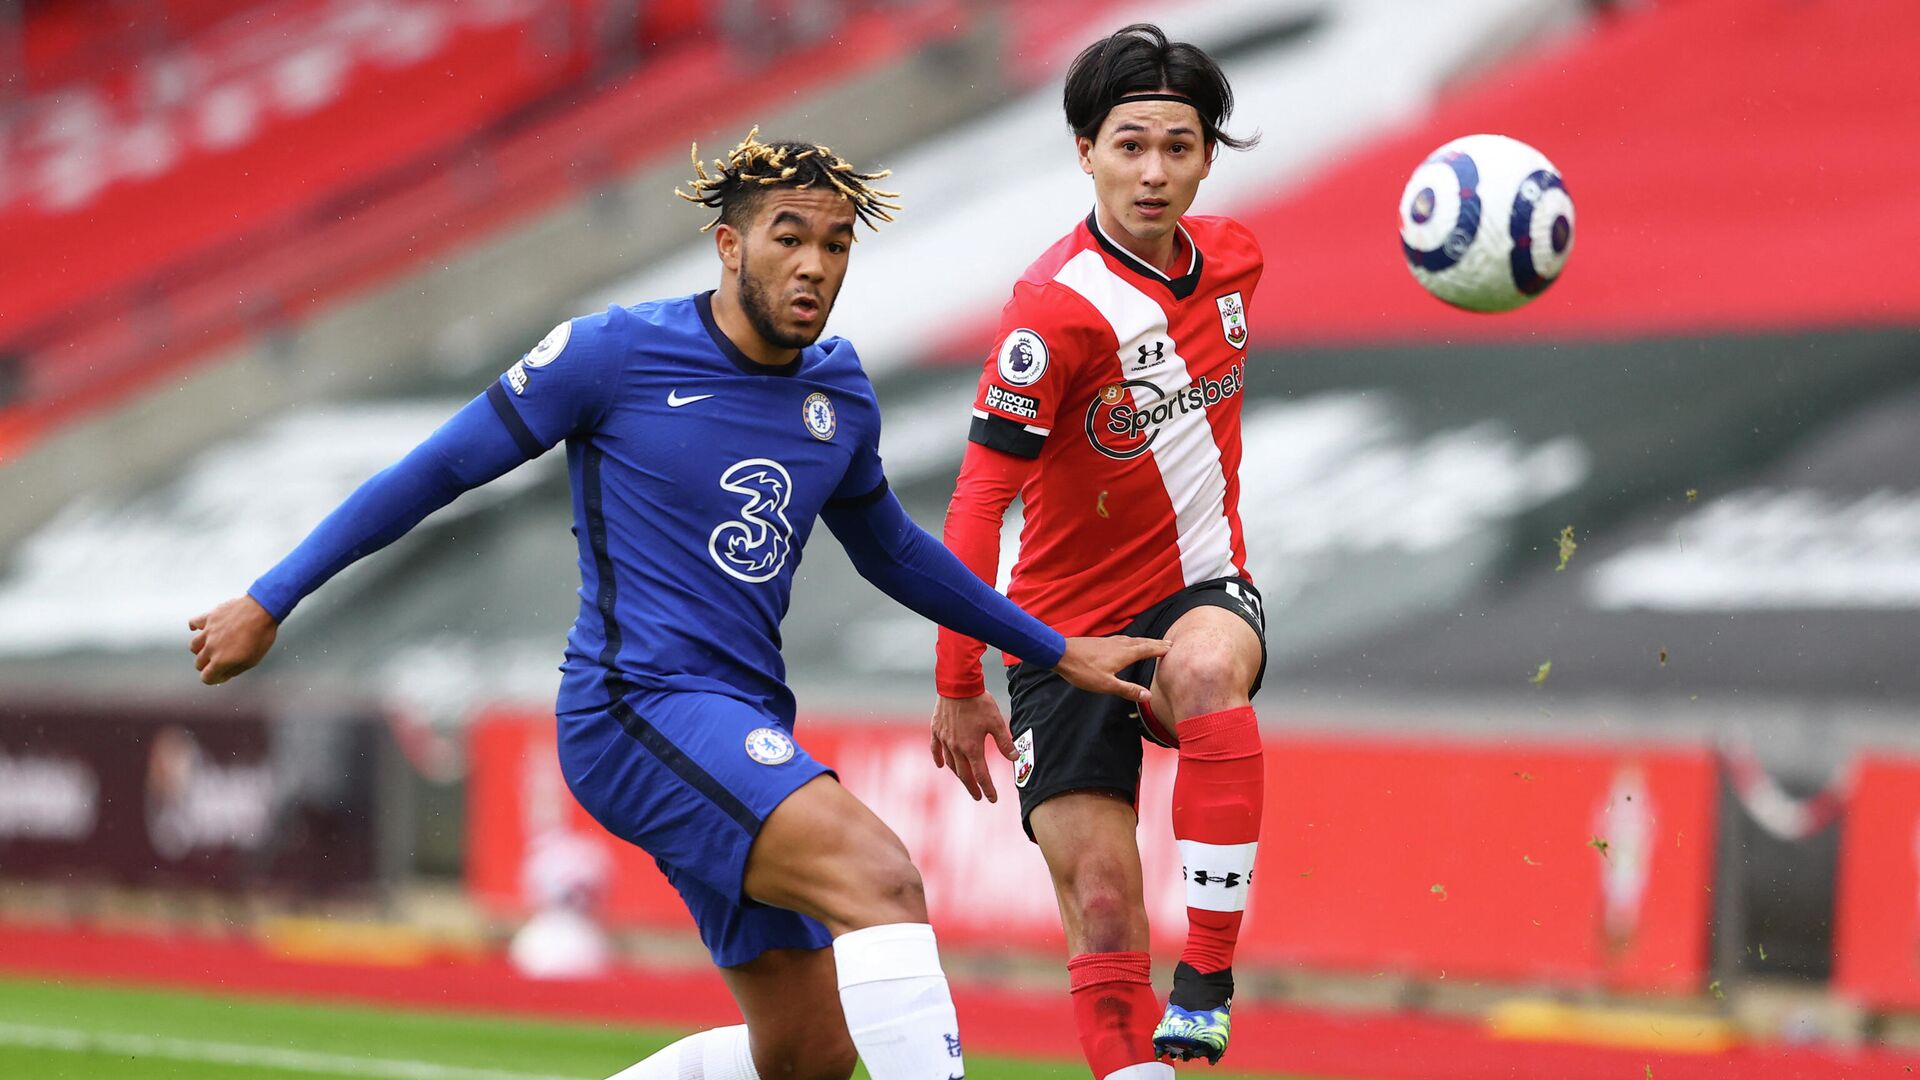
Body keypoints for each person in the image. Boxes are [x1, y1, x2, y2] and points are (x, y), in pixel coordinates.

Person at [189, 128, 1169, 1080]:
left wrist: (1050, 648)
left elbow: (895, 553)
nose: (815, 266)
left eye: (835, 245)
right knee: (882, 880)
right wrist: (270, 599)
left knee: (808, 1055)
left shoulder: (838, 391)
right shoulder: (611, 355)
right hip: (634, 708)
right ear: (729, 244)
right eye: (790, 236)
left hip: (737, 719)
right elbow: (437, 470)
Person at [929, 25, 1266, 1074]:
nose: (1153, 171)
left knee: (1208, 667)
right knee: (1107, 906)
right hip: (1057, 628)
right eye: (1129, 146)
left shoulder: (1240, 260)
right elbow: (980, 498)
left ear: (1208, 154)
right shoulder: (1052, 313)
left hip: (1200, 587)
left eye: (1178, 145)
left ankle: (1207, 975)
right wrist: (958, 676)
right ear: (1085, 150)